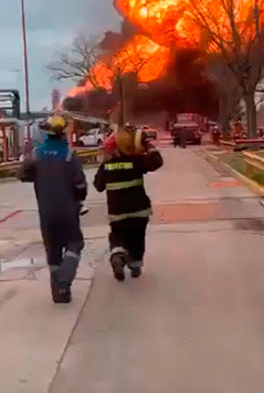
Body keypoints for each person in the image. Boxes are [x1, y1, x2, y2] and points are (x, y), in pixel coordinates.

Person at [19, 114, 87, 303]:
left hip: (46, 212)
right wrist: (80, 198)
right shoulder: (69, 154)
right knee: (75, 244)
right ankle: (64, 281)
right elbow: (80, 184)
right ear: (63, 133)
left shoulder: (36, 154)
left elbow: (23, 175)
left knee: (53, 251)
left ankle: (58, 293)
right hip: (68, 210)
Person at [93, 125, 163, 281]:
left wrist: (105, 163)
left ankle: (117, 254)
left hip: (117, 213)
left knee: (117, 234)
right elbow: (157, 162)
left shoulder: (107, 166)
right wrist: (147, 144)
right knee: (137, 237)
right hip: (139, 211)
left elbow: (98, 186)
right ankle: (135, 265)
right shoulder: (136, 161)